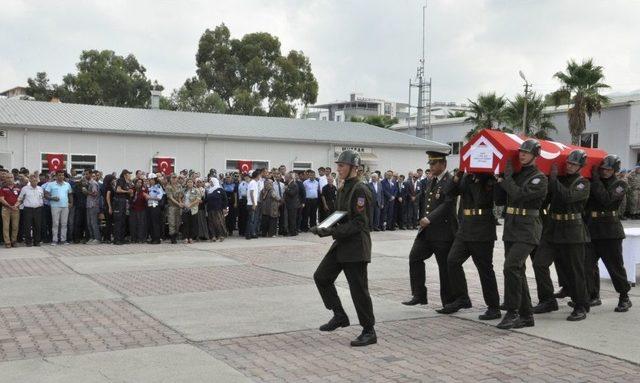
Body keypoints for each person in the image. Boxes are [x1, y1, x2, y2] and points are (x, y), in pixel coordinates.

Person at [311, 150, 376, 347]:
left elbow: (359, 223)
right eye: (338, 165)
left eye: (342, 166)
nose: (338, 169)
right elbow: (339, 214)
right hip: (342, 244)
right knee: (321, 277)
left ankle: (369, 330)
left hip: (356, 247)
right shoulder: (343, 188)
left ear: (354, 168)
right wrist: (324, 226)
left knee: (358, 290)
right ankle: (339, 315)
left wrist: (330, 232)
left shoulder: (360, 190)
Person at [532, 150, 590, 321]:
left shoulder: (583, 183)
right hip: (553, 229)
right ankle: (547, 299)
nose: (570, 166)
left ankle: (581, 304)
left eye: (574, 164)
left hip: (573, 231)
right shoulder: (557, 180)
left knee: (575, 270)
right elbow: (545, 200)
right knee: (539, 263)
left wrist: (554, 180)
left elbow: (567, 197)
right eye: (569, 163)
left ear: (580, 166)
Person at [495, 139, 548, 329]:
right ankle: (526, 316)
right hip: (511, 227)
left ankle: (512, 311)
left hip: (528, 228)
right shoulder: (515, 175)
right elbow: (501, 200)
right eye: (521, 152)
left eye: (526, 152)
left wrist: (507, 180)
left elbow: (519, 195)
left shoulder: (539, 178)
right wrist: (498, 180)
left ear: (535, 155)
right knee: (518, 271)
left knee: (511, 267)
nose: (522, 154)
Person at [438, 170, 501, 320]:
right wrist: (458, 176)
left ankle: (494, 307)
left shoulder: (489, 178)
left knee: (484, 269)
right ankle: (462, 298)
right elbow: (447, 192)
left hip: (482, 229)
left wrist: (478, 178)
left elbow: (480, 199)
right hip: (465, 228)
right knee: (452, 261)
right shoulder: (465, 177)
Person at [402, 150, 457, 308]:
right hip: (427, 231)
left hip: (443, 231)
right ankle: (419, 294)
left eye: (434, 163)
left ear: (443, 164)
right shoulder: (431, 180)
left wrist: (429, 218)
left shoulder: (450, 180)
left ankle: (449, 301)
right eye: (430, 163)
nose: (431, 166)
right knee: (415, 257)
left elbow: (448, 204)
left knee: (444, 267)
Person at [585, 155, 632, 312]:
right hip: (592, 229)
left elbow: (606, 199)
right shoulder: (593, 182)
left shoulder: (620, 184)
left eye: (608, 169)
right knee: (588, 266)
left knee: (614, 267)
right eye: (603, 168)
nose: (605, 171)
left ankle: (624, 296)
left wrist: (596, 180)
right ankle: (593, 295)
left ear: (615, 170)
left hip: (610, 231)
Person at [44, 171, 74, 246]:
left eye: (62, 175)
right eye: (59, 175)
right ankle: (54, 240)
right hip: (55, 206)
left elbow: (70, 194)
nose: (61, 176)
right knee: (55, 223)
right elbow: (46, 195)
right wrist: (52, 198)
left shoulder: (67, 184)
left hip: (65, 206)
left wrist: (71, 203)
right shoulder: (51, 184)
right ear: (56, 176)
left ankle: (63, 240)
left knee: (64, 223)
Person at [18, 174, 44, 247]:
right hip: (28, 209)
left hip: (38, 209)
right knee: (27, 226)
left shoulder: (40, 188)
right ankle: (28, 242)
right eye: (33, 180)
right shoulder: (25, 189)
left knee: (37, 226)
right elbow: (20, 198)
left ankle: (37, 241)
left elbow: (42, 197)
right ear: (30, 180)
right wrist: (17, 205)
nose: (35, 182)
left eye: (36, 180)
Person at [0, 174, 22, 247]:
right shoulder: (3, 188)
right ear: (5, 179)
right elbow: (1, 199)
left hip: (15, 209)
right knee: (6, 226)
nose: (10, 179)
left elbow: (20, 199)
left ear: (13, 178)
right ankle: (7, 242)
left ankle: (14, 241)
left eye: (11, 177)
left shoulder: (18, 188)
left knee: (15, 226)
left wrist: (15, 206)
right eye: (8, 177)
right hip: (5, 209)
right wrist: (9, 206)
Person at [113, 170, 133, 245]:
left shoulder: (127, 183)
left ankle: (121, 238)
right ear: (125, 174)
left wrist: (130, 192)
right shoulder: (121, 180)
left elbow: (129, 193)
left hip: (125, 202)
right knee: (119, 221)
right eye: (129, 174)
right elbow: (118, 190)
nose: (130, 175)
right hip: (119, 202)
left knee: (123, 221)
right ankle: (117, 239)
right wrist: (127, 192)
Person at [205, 177, 228, 241]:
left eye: (211, 182)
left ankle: (221, 235)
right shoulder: (209, 190)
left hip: (218, 209)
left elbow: (225, 199)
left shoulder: (220, 189)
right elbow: (206, 199)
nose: (210, 183)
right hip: (210, 209)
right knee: (211, 223)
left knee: (218, 222)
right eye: (210, 182)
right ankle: (213, 236)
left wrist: (225, 208)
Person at [165, 174, 184, 244]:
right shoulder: (168, 187)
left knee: (178, 222)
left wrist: (180, 202)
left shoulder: (179, 186)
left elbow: (180, 196)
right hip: (172, 206)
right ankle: (172, 237)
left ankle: (176, 234)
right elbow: (171, 198)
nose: (174, 179)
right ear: (170, 179)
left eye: (175, 178)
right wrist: (178, 203)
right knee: (172, 222)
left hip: (178, 207)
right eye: (172, 178)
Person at [181, 179, 201, 244]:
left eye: (191, 182)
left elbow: (198, 199)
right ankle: (185, 238)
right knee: (185, 223)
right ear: (186, 183)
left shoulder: (196, 190)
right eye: (188, 182)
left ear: (193, 183)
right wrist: (181, 203)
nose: (190, 183)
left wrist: (190, 205)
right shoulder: (184, 190)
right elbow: (180, 197)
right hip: (185, 209)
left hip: (193, 209)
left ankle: (191, 238)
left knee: (193, 224)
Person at [146, 173, 164, 244]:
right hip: (149, 206)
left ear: (155, 180)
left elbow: (159, 197)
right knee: (150, 223)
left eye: (152, 180)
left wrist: (150, 197)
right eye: (149, 180)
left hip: (155, 206)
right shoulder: (149, 187)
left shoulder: (158, 187)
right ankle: (153, 238)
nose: (150, 181)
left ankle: (157, 239)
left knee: (155, 223)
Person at [129, 178, 148, 243]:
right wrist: (131, 196)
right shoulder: (132, 189)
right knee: (133, 224)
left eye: (140, 182)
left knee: (141, 224)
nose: (139, 184)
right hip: (133, 209)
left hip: (142, 209)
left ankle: (141, 238)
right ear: (135, 183)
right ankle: (133, 238)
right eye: (138, 182)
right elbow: (130, 200)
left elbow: (146, 198)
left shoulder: (144, 190)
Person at [85, 171, 101, 244]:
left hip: (93, 205)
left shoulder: (93, 183)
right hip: (89, 205)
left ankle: (97, 238)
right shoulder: (89, 183)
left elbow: (95, 194)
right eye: (85, 174)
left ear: (91, 175)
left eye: (87, 174)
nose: (85, 175)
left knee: (93, 223)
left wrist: (86, 192)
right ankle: (92, 237)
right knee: (89, 223)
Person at [245, 170, 261, 239]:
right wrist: (254, 203)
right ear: (257, 176)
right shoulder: (253, 183)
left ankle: (251, 233)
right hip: (252, 204)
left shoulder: (253, 182)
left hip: (251, 203)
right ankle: (248, 234)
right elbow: (251, 193)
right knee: (251, 220)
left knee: (252, 220)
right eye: (259, 175)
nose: (260, 176)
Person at [283, 172, 299, 236]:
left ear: (289, 178)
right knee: (289, 218)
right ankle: (291, 231)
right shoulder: (289, 184)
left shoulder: (294, 184)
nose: (284, 178)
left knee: (292, 219)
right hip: (289, 204)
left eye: (286, 177)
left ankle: (292, 232)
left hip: (292, 205)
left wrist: (287, 189)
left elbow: (292, 193)